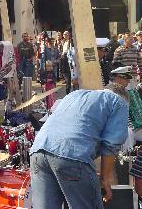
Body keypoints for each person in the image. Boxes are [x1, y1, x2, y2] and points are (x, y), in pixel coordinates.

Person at [30, 81, 130, 209]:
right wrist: (105, 178)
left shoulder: (75, 94)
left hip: (38, 150)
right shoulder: (119, 102)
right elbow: (111, 144)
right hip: (72, 154)